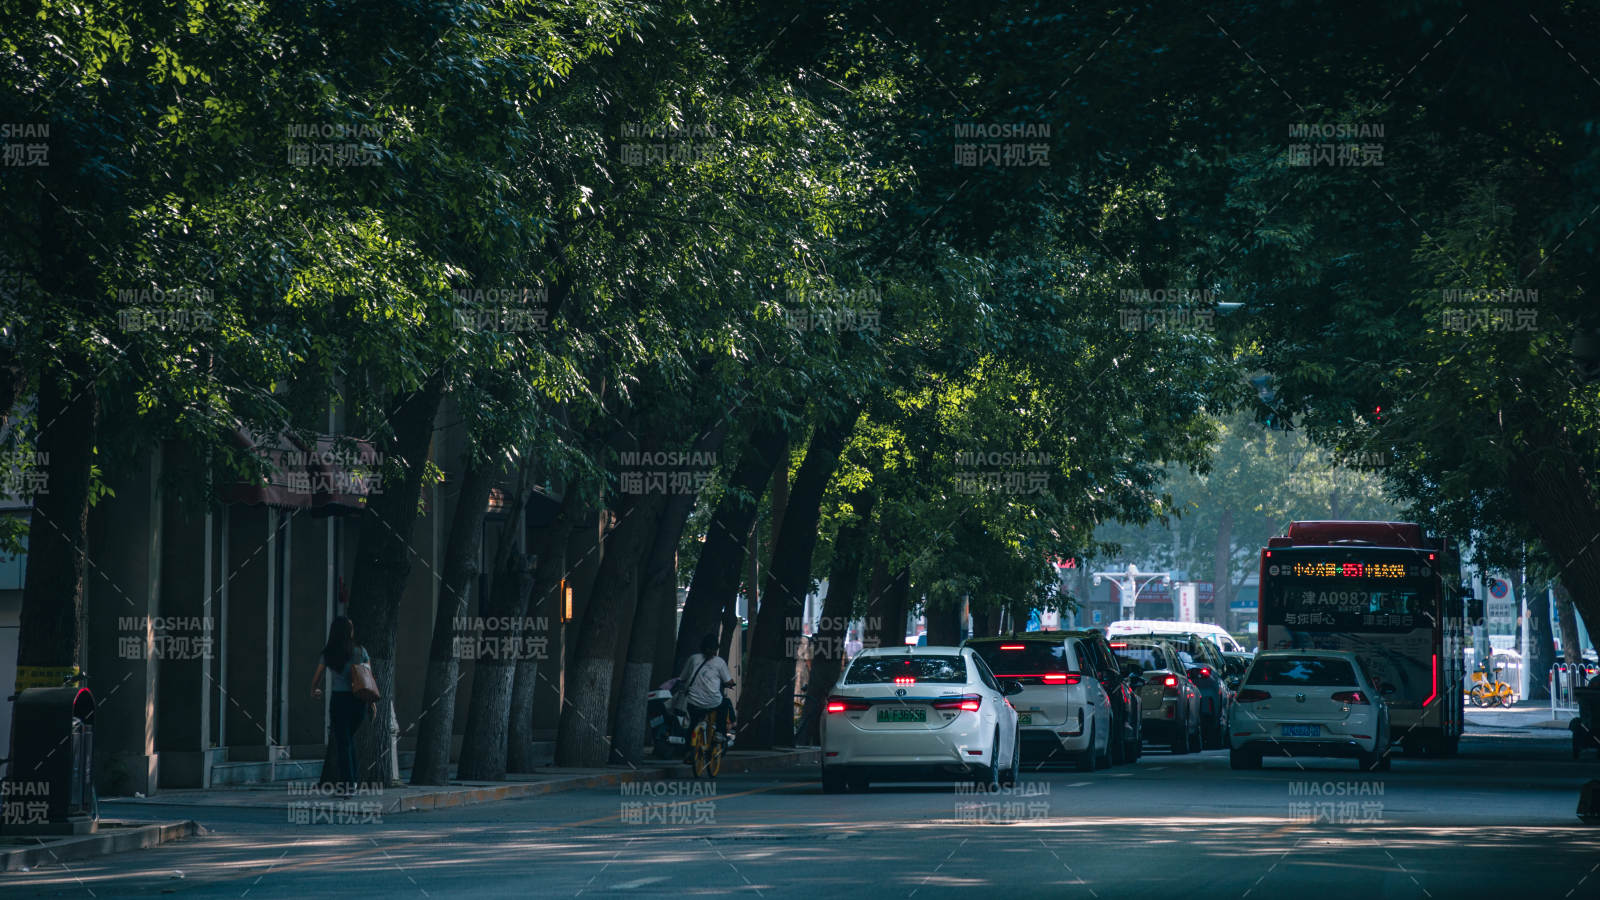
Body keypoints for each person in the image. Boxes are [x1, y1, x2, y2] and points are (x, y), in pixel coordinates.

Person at [310, 616, 374, 793]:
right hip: (359, 700)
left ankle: (349, 783)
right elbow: (368, 678)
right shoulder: (361, 651)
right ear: (348, 631)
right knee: (348, 740)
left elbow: (317, 676)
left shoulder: (329, 653)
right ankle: (352, 781)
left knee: (344, 742)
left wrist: (314, 689)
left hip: (339, 701)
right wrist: (371, 702)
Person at [679, 633, 736, 744]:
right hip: (713, 702)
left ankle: (687, 747)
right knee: (725, 704)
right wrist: (731, 684)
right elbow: (728, 681)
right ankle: (719, 732)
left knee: (692, 724)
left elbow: (683, 677)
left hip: (692, 701)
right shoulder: (719, 662)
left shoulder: (693, 658)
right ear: (716, 649)